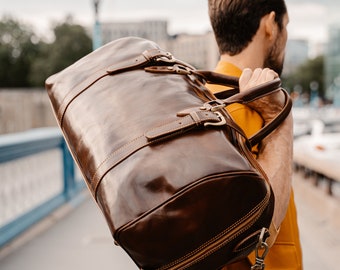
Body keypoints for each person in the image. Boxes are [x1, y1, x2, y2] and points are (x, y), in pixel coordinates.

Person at [206, 0, 303, 269]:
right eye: (285, 26)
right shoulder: (253, 111)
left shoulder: (202, 98)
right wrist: (280, 120)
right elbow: (257, 235)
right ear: (270, 25)